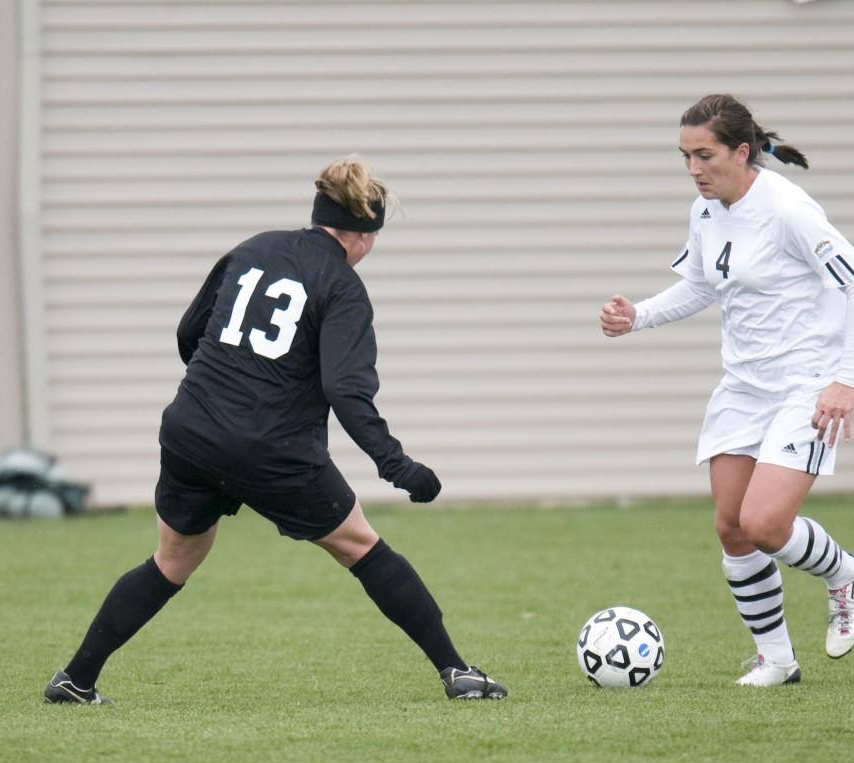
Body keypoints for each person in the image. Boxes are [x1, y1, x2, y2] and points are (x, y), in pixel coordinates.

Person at [44, 158, 507, 704]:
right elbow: (346, 392)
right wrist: (398, 466)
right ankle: (457, 673)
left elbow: (189, 333)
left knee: (170, 562)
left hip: (190, 430)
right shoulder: (343, 287)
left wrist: (223, 394)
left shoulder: (253, 248)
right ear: (363, 234)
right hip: (271, 448)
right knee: (362, 546)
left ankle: (75, 679)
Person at [599, 94, 854, 687]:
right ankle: (776, 659)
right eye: (685, 157)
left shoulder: (788, 210)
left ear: (742, 152)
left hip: (806, 385)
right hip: (744, 387)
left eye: (705, 155)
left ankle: (846, 572)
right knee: (731, 526)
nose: (694, 169)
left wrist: (844, 382)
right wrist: (639, 315)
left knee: (765, 525)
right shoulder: (705, 211)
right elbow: (701, 286)